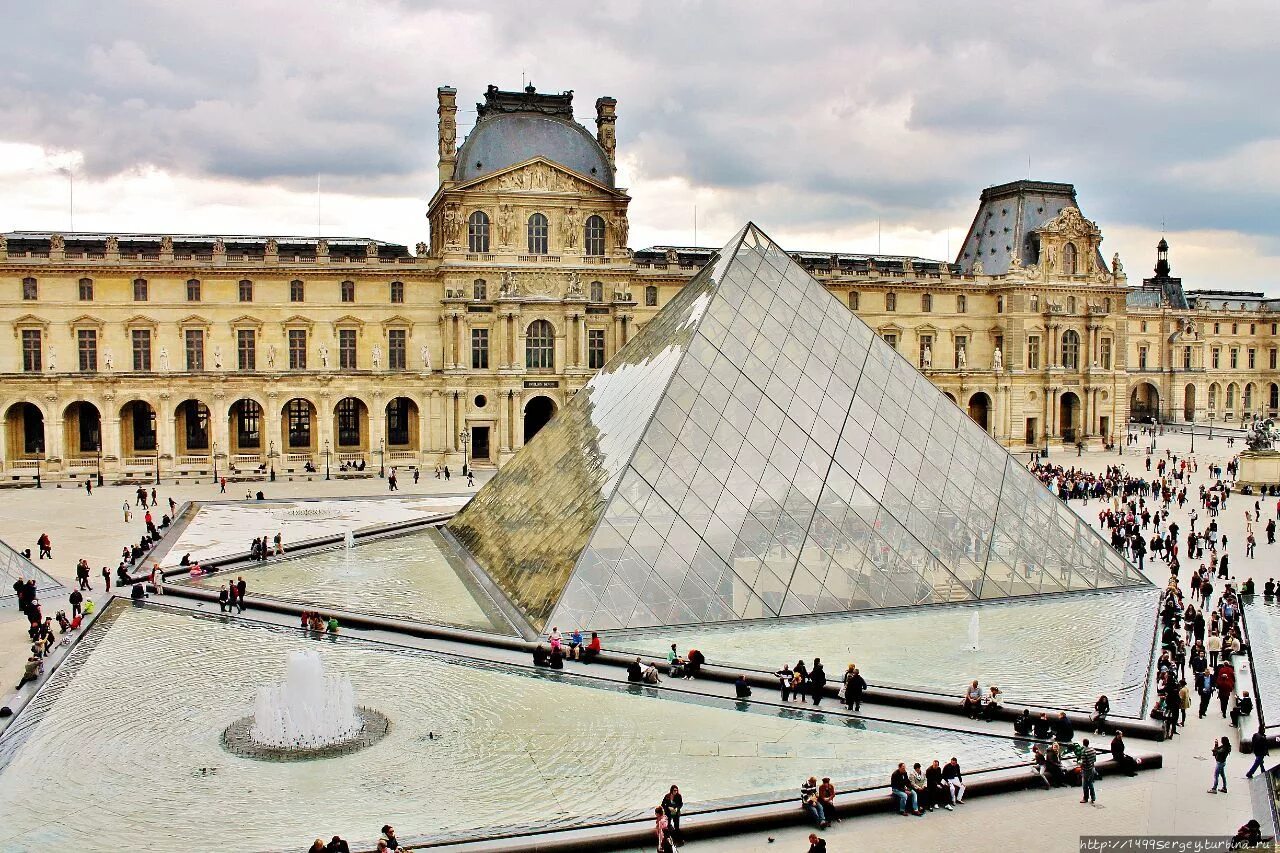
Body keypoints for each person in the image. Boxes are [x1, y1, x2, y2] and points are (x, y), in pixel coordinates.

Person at [1079, 738, 1098, 804]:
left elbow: (1083, 763)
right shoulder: (1092, 750)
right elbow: (1095, 760)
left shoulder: (1084, 751)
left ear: (1083, 743)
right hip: (1092, 768)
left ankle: (1085, 798)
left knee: (1085, 785)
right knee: (1090, 783)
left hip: (1086, 770)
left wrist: (1080, 765)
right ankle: (1093, 797)